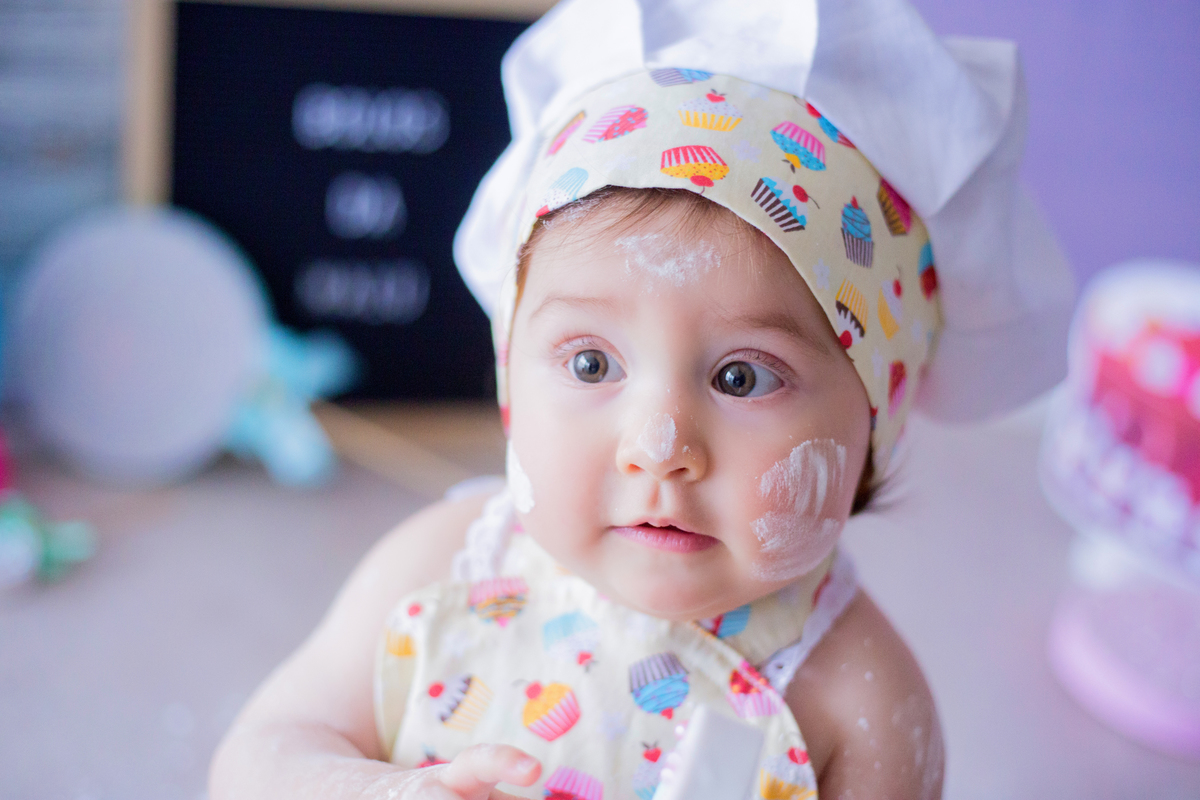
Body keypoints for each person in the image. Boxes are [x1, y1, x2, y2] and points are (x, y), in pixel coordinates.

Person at [209, 0, 1073, 797]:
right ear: (512, 374)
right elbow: (258, 759)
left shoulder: (861, 704)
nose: (658, 444)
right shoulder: (441, 574)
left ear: (872, 424)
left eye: (742, 376)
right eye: (591, 365)